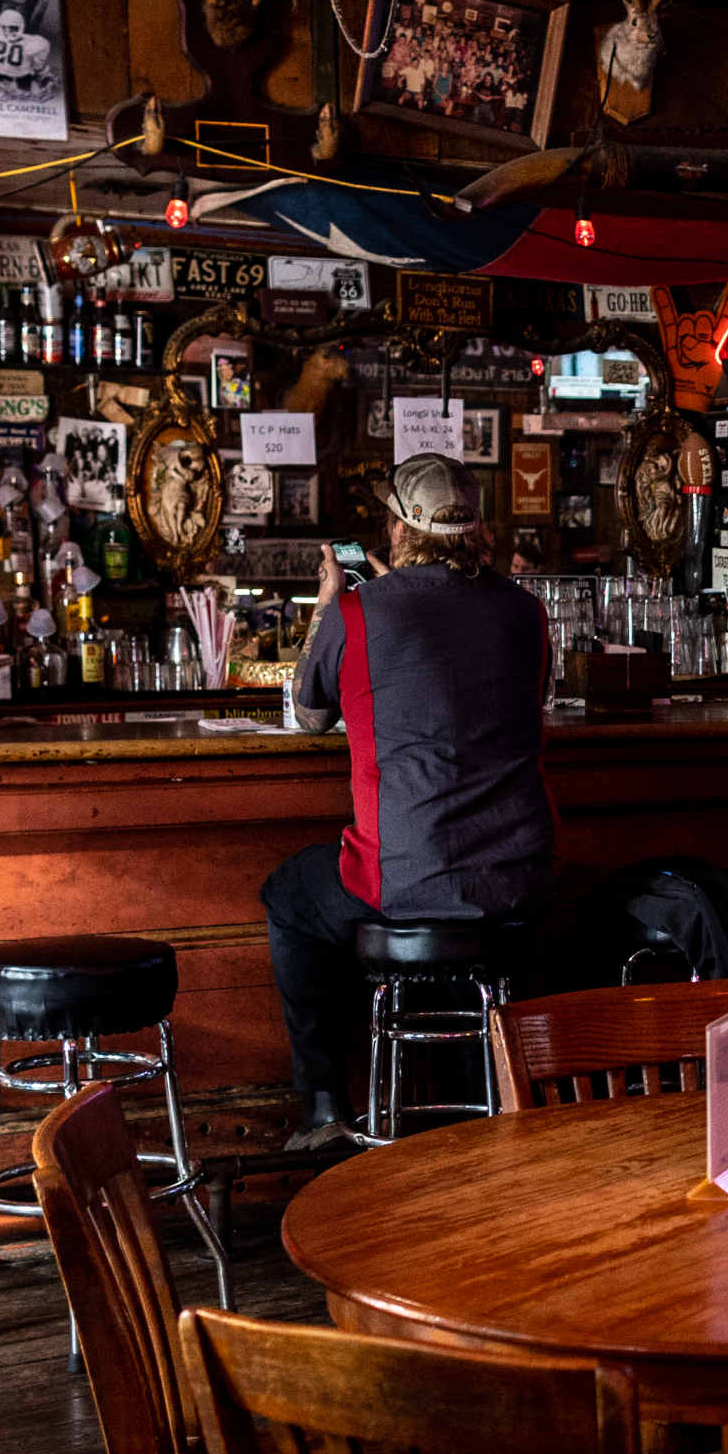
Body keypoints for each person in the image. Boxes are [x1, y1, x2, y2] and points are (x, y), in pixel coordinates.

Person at [258, 456, 554, 1150]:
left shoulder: (361, 613)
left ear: (396, 529)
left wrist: (333, 601)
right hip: (520, 881)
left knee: (288, 897)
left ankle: (324, 1111)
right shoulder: (524, 609)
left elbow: (309, 716)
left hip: (406, 878)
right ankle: (484, 1107)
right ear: (475, 527)